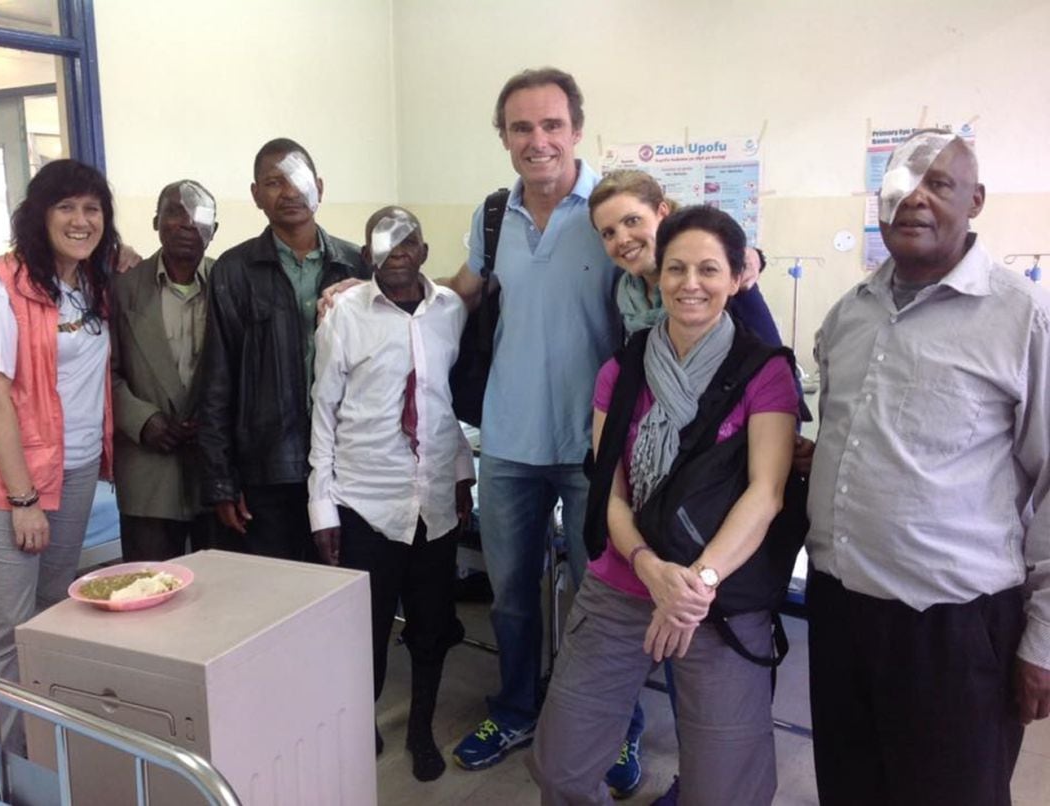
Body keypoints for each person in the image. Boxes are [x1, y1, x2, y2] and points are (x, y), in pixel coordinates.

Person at [807, 130, 1050, 806]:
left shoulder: (1021, 318)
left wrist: (1046, 640)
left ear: (975, 200)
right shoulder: (849, 313)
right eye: (898, 187)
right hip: (842, 611)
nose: (913, 199)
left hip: (952, 629)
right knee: (851, 790)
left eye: (937, 184)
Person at [527, 205, 798, 805]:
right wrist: (652, 570)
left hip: (719, 597)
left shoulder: (765, 372)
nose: (690, 283)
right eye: (676, 268)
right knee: (561, 766)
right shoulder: (622, 370)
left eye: (708, 269)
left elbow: (766, 492)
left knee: (725, 786)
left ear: (736, 277)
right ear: (660, 275)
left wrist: (695, 585)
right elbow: (610, 490)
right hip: (624, 581)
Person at [444, 68, 628, 783]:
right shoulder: (494, 217)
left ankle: (616, 728)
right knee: (513, 596)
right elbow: (458, 295)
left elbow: (678, 276)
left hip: (594, 452)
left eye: (552, 125)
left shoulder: (613, 208)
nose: (538, 140)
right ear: (504, 138)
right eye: (522, 128)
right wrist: (369, 293)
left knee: (603, 603)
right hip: (510, 442)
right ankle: (516, 707)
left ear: (577, 130)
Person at [308, 206, 473, 781]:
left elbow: (441, 401)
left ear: (425, 251)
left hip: (434, 503)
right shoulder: (344, 315)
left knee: (430, 628)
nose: (398, 250)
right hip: (365, 504)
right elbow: (322, 413)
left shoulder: (450, 311)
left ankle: (422, 727)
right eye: (385, 240)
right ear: (368, 254)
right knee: (367, 632)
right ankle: (361, 720)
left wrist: (460, 474)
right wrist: (321, 505)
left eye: (409, 240)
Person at [0, 159, 118, 780]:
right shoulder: (0, 287)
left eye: (92, 208)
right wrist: (23, 498)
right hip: (17, 483)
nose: (81, 221)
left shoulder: (90, 281)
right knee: (4, 632)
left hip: (80, 469)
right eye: (66, 208)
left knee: (54, 613)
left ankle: (34, 759)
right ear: (39, 214)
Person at [198, 138, 369, 560]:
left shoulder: (358, 265)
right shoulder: (233, 271)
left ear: (320, 187)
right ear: (256, 195)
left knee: (348, 596)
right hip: (270, 468)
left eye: (299, 180)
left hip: (349, 466)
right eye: (274, 182)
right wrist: (222, 481)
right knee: (281, 600)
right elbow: (217, 382)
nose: (289, 192)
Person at [111, 180, 218, 561]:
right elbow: (104, 372)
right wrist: (143, 420)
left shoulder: (230, 284)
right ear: (157, 221)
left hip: (214, 473)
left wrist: (214, 420)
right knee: (148, 594)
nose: (188, 223)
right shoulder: (121, 288)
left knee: (220, 595)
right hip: (147, 473)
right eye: (176, 212)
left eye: (200, 215)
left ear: (214, 230)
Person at [589, 169, 784, 347]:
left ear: (662, 212)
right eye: (608, 233)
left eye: (632, 221)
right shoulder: (624, 295)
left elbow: (778, 372)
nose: (622, 240)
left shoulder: (723, 286)